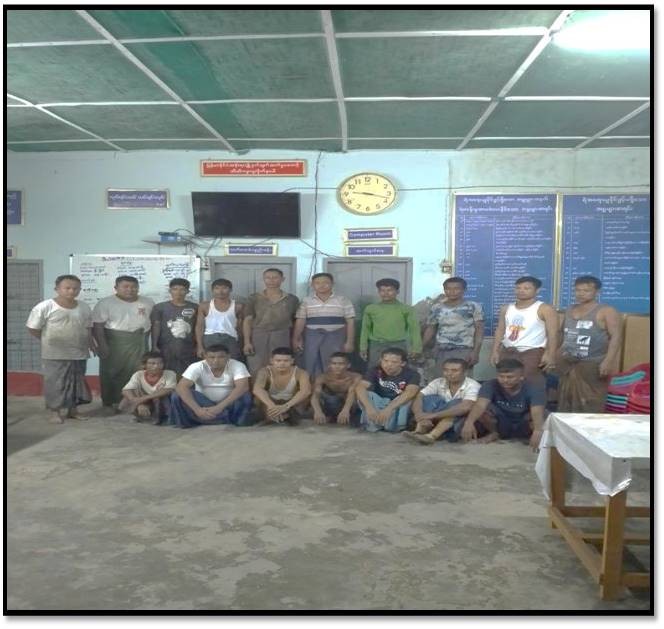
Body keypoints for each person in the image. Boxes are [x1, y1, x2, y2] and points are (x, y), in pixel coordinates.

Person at [26, 274, 94, 424]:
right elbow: (33, 328)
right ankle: (54, 412)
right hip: (54, 353)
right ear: (57, 289)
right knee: (55, 383)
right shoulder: (45, 306)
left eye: (75, 288)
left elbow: (88, 328)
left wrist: (91, 344)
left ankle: (73, 411)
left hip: (79, 352)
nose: (71, 291)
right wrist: (47, 340)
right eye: (67, 288)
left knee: (76, 383)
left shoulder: (84, 306)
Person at [556, 276, 622, 412]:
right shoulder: (570, 309)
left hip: (593, 364)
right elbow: (561, 334)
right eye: (578, 290)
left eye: (586, 291)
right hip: (568, 362)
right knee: (565, 401)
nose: (581, 293)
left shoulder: (606, 311)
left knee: (591, 402)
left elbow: (616, 337)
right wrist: (555, 354)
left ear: (597, 292)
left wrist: (608, 362)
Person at [92, 275, 154, 414]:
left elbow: (152, 323)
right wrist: (102, 345)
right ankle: (109, 403)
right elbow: (98, 326)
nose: (130, 290)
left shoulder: (148, 302)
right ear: (116, 288)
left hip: (139, 341)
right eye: (125, 287)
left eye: (133, 287)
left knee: (139, 372)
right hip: (115, 342)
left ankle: (137, 403)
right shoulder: (105, 303)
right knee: (111, 372)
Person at [460, 358, 546, 449]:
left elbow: (537, 410)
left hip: (523, 423)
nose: (505, 380)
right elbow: (480, 405)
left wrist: (538, 430)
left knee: (543, 415)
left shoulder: (535, 388)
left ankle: (534, 437)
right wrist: (469, 422)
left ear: (521, 377)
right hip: (501, 422)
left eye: (510, 377)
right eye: (501, 376)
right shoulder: (490, 385)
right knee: (481, 409)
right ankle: (494, 433)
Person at [491, 276, 558, 387]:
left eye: (526, 288)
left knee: (531, 384)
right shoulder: (506, 308)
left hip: (532, 353)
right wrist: (495, 351)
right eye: (518, 288)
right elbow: (500, 330)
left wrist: (550, 354)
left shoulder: (545, 309)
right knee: (506, 383)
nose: (521, 291)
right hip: (508, 352)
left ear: (537, 290)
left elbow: (553, 333)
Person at [169, 344, 252, 428]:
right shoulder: (197, 366)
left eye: (221, 357)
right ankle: (214, 418)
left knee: (245, 395)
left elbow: (243, 387)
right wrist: (197, 409)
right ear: (205, 357)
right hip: (204, 403)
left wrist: (219, 407)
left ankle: (215, 419)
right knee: (177, 395)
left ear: (228, 357)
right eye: (212, 357)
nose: (216, 360)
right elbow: (181, 387)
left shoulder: (237, 365)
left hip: (227, 404)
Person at [403, 358, 481, 445]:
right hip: (435, 420)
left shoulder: (472, 385)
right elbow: (419, 396)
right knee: (429, 398)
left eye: (454, 370)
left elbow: (465, 407)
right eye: (446, 370)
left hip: (457, 424)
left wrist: (432, 416)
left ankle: (432, 436)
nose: (449, 373)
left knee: (457, 404)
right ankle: (419, 431)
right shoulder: (438, 382)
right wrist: (419, 414)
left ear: (465, 372)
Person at [292, 273, 355, 378]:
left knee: (335, 364)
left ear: (332, 284)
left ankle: (332, 386)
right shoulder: (306, 301)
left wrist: (349, 342)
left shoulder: (343, 300)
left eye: (325, 282)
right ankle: (313, 386)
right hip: (312, 338)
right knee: (311, 363)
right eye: (317, 283)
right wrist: (296, 339)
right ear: (312, 285)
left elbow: (350, 322)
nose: (321, 285)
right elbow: (300, 320)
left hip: (336, 338)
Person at [243, 268, 299, 375]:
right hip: (258, 335)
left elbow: (296, 321)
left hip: (282, 335)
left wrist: (296, 339)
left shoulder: (291, 299)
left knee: (281, 364)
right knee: (256, 365)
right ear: (263, 279)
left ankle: (278, 385)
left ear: (282, 279)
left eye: (275, 277)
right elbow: (247, 320)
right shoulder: (254, 298)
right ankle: (257, 386)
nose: (271, 280)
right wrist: (247, 342)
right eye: (268, 278)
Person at [422, 277, 484, 372]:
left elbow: (479, 331)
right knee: (441, 378)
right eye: (448, 289)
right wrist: (421, 347)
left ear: (464, 290)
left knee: (461, 378)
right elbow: (431, 329)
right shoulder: (436, 308)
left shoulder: (473, 307)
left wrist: (475, 352)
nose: (452, 292)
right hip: (441, 350)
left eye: (456, 288)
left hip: (464, 350)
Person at [359, 278, 422, 368]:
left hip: (398, 345)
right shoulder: (371, 308)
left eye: (389, 290)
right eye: (382, 290)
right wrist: (363, 347)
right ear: (378, 292)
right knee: (375, 370)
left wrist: (416, 348)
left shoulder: (406, 309)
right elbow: (365, 329)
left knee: (398, 370)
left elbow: (414, 329)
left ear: (397, 291)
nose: (386, 293)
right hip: (377, 345)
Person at [356, 347, 421, 433]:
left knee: (409, 398)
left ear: (403, 363)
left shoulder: (412, 374)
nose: (388, 365)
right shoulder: (375, 370)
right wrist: (369, 407)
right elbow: (360, 387)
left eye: (394, 362)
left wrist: (389, 408)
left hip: (397, 404)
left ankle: (395, 425)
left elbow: (411, 392)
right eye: (385, 361)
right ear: (381, 360)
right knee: (366, 394)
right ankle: (374, 423)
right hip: (379, 402)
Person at [150, 278, 198, 377]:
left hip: (188, 347)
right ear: (170, 291)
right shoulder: (159, 307)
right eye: (175, 289)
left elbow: (198, 327)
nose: (178, 292)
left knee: (188, 374)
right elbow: (156, 326)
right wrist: (154, 345)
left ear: (188, 291)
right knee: (166, 373)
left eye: (182, 289)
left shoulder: (195, 307)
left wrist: (198, 345)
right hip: (166, 347)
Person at [252, 347, 312, 425]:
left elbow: (306, 391)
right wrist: (272, 406)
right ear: (271, 361)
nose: (282, 363)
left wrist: (286, 406)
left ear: (292, 361)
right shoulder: (265, 371)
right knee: (258, 397)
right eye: (278, 361)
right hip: (271, 403)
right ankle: (272, 416)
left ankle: (287, 416)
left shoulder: (301, 373)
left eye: (286, 361)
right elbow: (257, 389)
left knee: (305, 397)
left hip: (291, 403)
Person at [119, 351, 176, 424]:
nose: (156, 366)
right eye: (152, 363)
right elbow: (126, 390)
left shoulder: (169, 373)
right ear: (144, 365)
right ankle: (140, 416)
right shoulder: (138, 374)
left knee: (161, 397)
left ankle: (162, 418)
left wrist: (143, 399)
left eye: (160, 363)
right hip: (145, 402)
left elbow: (169, 390)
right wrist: (138, 403)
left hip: (159, 402)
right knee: (128, 397)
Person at [195, 279, 244, 360]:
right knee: (210, 364)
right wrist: (199, 346)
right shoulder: (205, 306)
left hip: (230, 338)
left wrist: (241, 344)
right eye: (217, 288)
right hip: (210, 338)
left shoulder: (238, 306)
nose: (220, 291)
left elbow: (240, 328)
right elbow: (199, 327)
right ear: (212, 290)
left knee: (231, 363)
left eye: (224, 288)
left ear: (230, 289)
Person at [311, 352, 362, 426]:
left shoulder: (355, 377)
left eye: (341, 364)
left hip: (349, 405)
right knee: (329, 399)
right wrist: (317, 411)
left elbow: (352, 392)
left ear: (348, 365)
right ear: (329, 365)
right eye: (334, 363)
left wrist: (345, 410)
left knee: (356, 396)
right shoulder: (323, 377)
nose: (337, 366)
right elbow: (315, 395)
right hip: (331, 405)